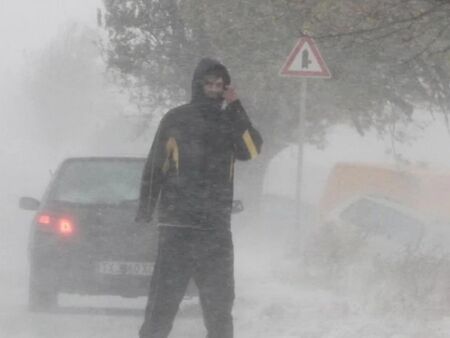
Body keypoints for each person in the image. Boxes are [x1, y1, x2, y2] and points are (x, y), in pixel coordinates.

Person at [136, 57, 262, 338]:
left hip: (215, 232)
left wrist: (236, 107)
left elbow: (251, 151)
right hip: (177, 229)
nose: (214, 89)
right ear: (198, 85)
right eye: (209, 83)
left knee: (219, 311)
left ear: (226, 88)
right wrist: (146, 207)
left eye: (220, 85)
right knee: (161, 308)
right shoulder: (176, 119)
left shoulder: (230, 121)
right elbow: (156, 166)